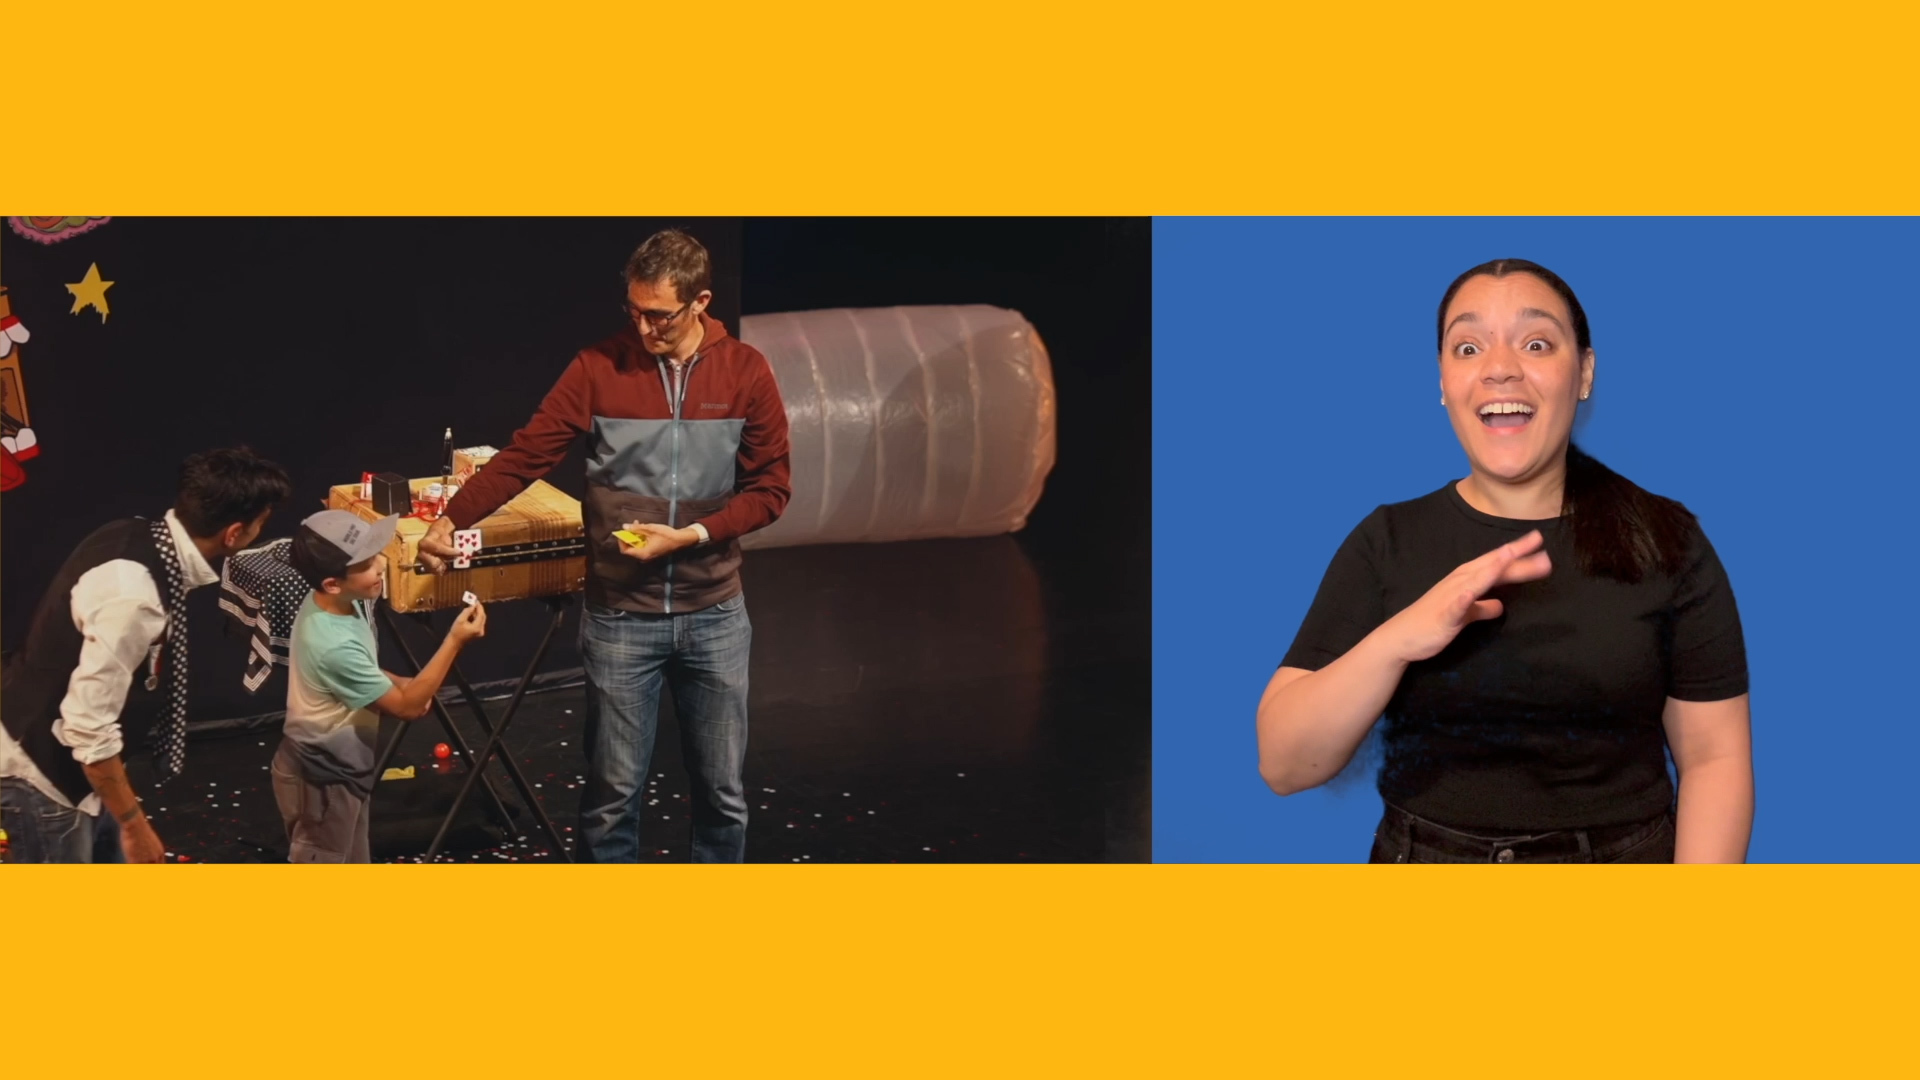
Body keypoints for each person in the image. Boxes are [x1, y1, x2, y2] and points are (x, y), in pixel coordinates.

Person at [1255, 259, 1753, 864]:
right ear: (1442, 380)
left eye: (1536, 343)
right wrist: (1400, 638)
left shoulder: (1666, 540)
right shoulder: (1386, 540)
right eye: (1467, 347)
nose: (1499, 369)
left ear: (1585, 373)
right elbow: (1284, 765)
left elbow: (1714, 759)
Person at [417, 228, 791, 862]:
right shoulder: (598, 367)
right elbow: (525, 455)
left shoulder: (746, 371)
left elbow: (771, 490)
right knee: (613, 794)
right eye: (635, 312)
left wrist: (693, 535)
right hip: (622, 616)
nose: (645, 329)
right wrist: (452, 517)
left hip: (715, 616)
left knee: (722, 794)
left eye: (660, 315)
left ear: (700, 302)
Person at [1, 447, 292, 862]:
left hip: (84, 772)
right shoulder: (134, 597)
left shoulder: (141, 537)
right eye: (260, 525)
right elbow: (86, 728)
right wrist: (135, 825)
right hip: (44, 779)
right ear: (234, 533)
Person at [272, 509, 487, 862]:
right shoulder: (333, 643)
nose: (381, 568)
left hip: (339, 771)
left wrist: (403, 682)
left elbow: (361, 674)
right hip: (320, 780)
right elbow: (409, 707)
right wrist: (454, 642)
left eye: (376, 557)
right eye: (367, 565)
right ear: (332, 583)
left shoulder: (339, 604)